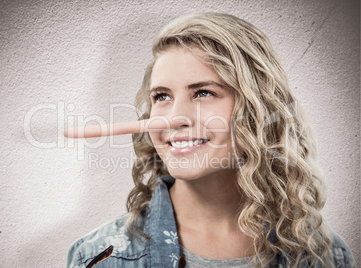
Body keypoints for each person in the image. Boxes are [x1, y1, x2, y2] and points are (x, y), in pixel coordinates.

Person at [66, 13, 355, 267]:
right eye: (162, 96)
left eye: (203, 92)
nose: (175, 118)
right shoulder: (99, 257)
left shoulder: (325, 254)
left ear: (258, 108)